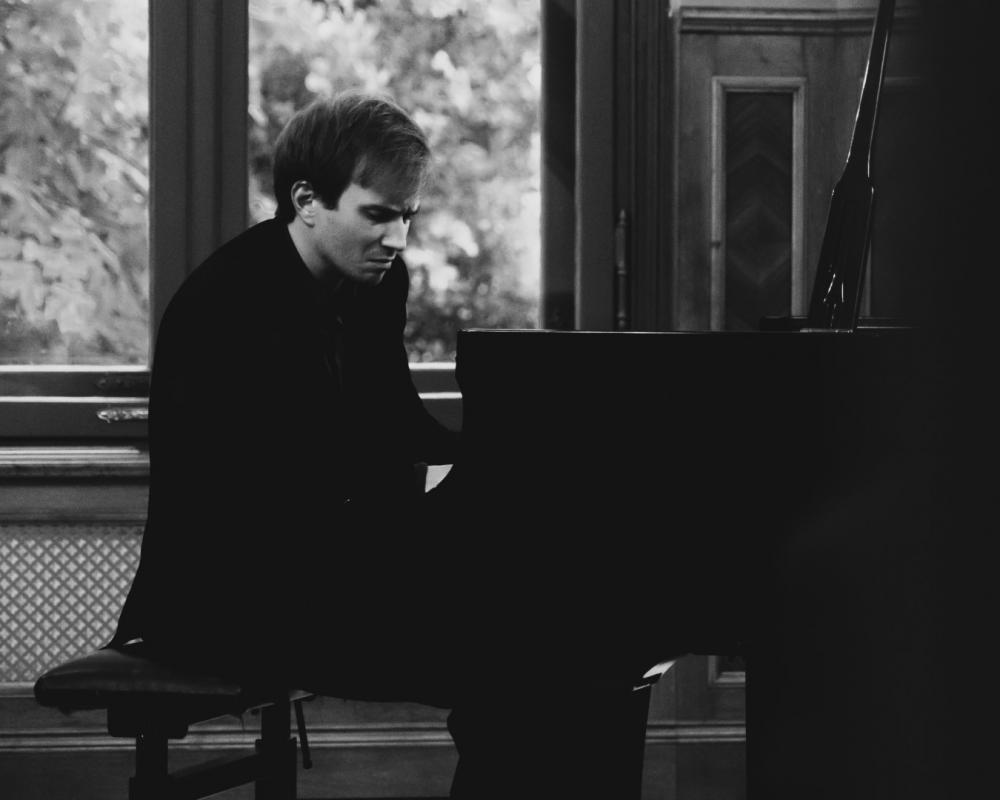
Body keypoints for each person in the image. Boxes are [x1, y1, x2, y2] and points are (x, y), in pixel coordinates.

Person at [113, 91, 462, 703]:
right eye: (378, 215)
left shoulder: (376, 282)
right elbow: (283, 487)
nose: (398, 239)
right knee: (504, 652)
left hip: (318, 568)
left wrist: (494, 462)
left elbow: (397, 420)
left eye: (408, 216)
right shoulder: (229, 302)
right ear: (305, 201)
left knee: (539, 634)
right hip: (225, 599)